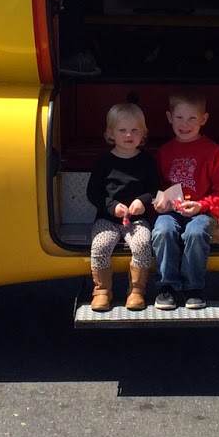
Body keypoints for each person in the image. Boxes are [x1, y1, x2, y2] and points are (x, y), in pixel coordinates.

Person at [151, 90, 219, 310]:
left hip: (202, 212)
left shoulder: (212, 151)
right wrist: (160, 202)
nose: (184, 124)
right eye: (179, 117)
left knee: (196, 233)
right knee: (162, 230)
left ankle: (193, 288)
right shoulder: (165, 151)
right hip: (171, 211)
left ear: (203, 119)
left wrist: (201, 205)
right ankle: (167, 286)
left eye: (192, 118)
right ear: (169, 117)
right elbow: (157, 185)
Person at [85, 101, 161, 311]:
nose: (129, 135)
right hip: (107, 219)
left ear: (143, 133)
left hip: (137, 220)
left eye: (135, 130)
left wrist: (142, 201)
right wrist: (111, 207)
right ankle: (102, 291)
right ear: (111, 133)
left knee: (143, 245)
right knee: (100, 246)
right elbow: (93, 193)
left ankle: (136, 291)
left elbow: (155, 189)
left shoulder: (146, 160)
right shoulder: (104, 161)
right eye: (122, 130)